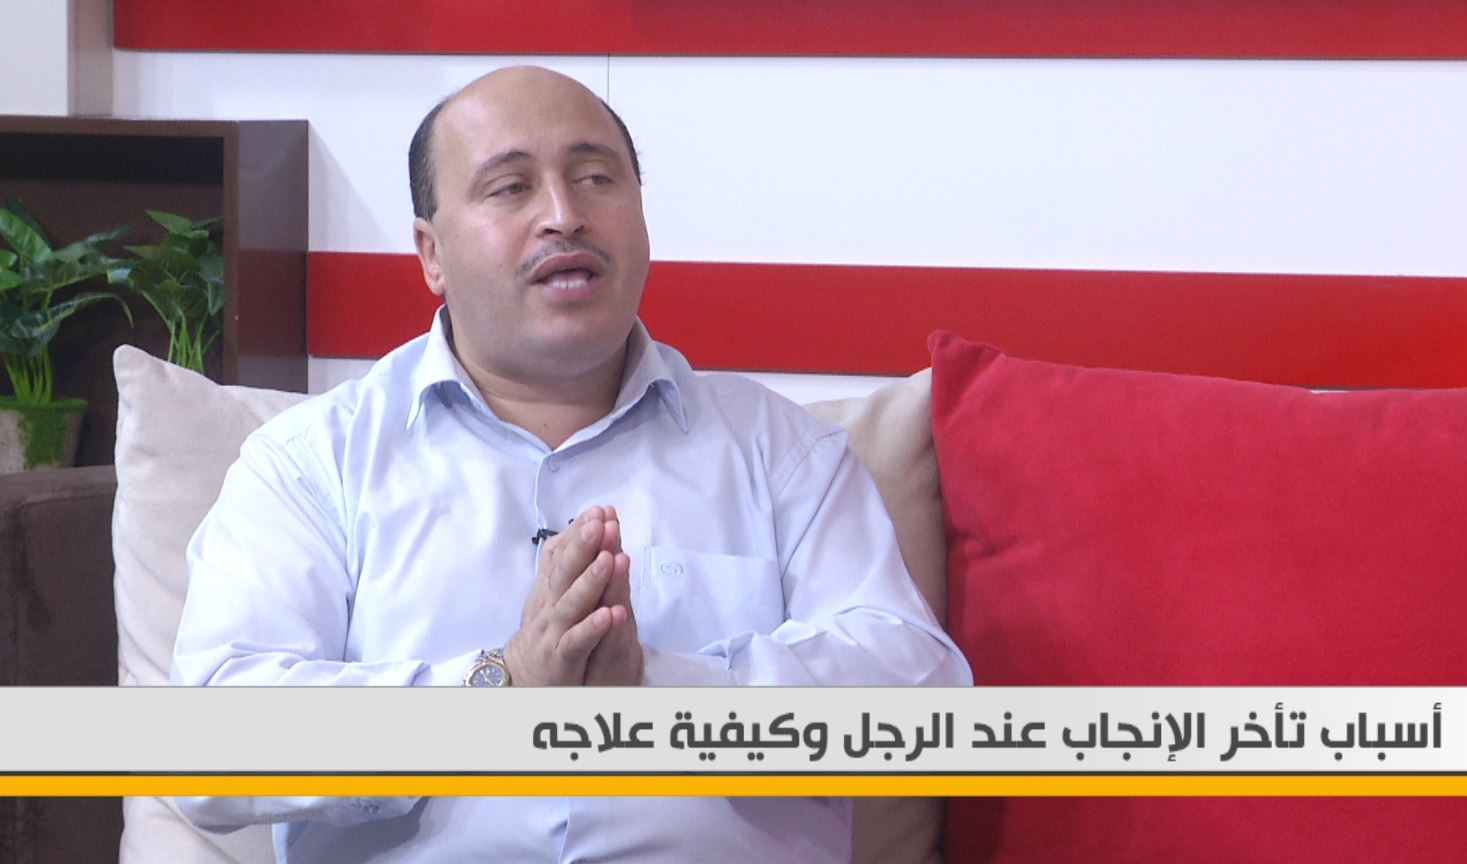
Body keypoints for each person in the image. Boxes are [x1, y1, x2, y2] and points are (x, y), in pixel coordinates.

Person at [171, 65, 970, 863]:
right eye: (510, 188)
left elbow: (922, 704)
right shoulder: (314, 464)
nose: (563, 215)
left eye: (595, 179)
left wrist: (662, 692)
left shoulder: (782, 454)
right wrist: (501, 685)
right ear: (431, 254)